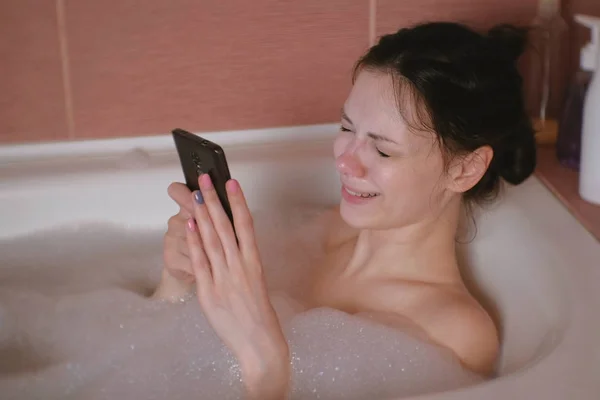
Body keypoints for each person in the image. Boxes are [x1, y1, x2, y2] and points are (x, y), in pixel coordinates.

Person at [152, 21, 536, 399]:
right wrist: (178, 278)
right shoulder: (319, 233)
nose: (345, 164)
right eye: (347, 128)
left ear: (464, 169)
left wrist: (266, 367)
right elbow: (147, 350)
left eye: (383, 149)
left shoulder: (455, 334)